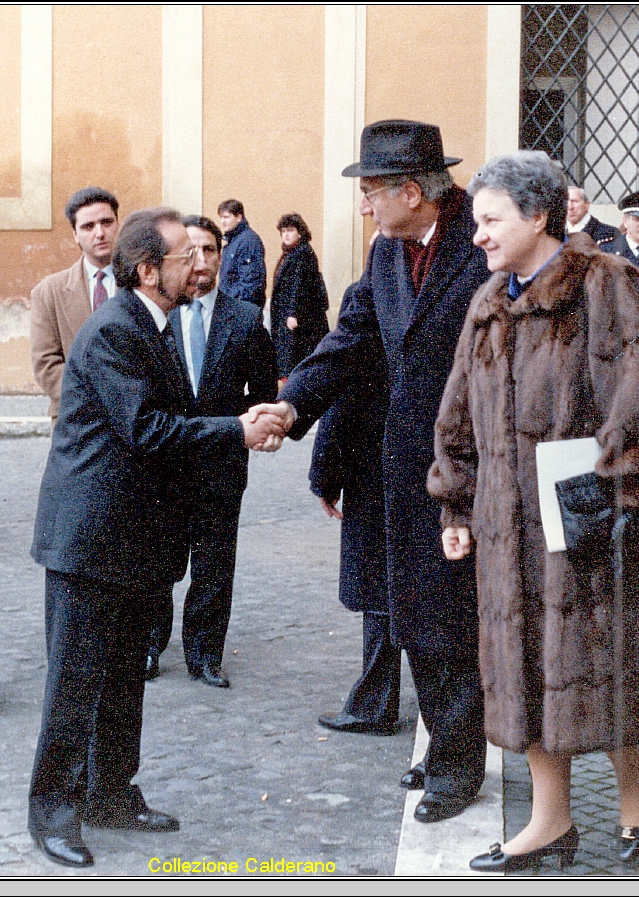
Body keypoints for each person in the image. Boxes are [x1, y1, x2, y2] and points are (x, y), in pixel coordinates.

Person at [430, 151, 639, 870]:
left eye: (492, 220)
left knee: (593, 664)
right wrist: (455, 501)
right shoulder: (487, 302)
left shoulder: (608, 284)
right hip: (504, 529)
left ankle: (636, 775)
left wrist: (614, 500)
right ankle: (550, 818)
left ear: (538, 216)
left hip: (587, 526)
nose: (478, 235)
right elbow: (458, 414)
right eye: (477, 221)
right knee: (529, 670)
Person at [250, 120, 492, 824]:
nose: (363, 206)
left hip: (470, 473)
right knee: (416, 616)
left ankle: (458, 763)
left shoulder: (483, 245)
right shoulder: (386, 252)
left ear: (414, 192)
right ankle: (448, 742)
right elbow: (348, 337)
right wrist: (290, 406)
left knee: (456, 623)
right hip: (402, 474)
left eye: (372, 192)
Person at [27, 208, 283, 868]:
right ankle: (53, 811)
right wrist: (238, 430)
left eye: (204, 255)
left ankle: (113, 793)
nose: (199, 264)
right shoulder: (116, 331)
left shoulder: (153, 323)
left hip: (133, 539)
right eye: (182, 257)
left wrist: (242, 421)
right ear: (148, 271)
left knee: (121, 681)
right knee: (75, 684)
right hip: (90, 540)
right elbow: (148, 429)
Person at [145, 215, 278, 686]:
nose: (199, 262)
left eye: (209, 251)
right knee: (158, 559)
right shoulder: (153, 319)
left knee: (215, 562)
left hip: (221, 464)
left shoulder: (243, 319)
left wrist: (256, 425)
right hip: (163, 462)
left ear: (222, 256)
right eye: (191, 252)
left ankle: (204, 654)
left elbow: (262, 394)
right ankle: (149, 645)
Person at [309, 322, 398, 736]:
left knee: (380, 592)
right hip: (417, 469)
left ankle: (375, 704)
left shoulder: (369, 304)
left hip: (373, 472)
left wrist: (324, 478)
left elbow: (338, 399)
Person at [30, 187, 119, 419]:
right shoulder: (49, 291)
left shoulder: (142, 282)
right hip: (75, 418)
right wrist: (92, 399)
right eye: (88, 226)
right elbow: (46, 363)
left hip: (133, 419)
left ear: (118, 225)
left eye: (106, 222)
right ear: (75, 235)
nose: (99, 233)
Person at [269, 212, 329, 382]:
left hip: (297, 316)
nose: (286, 235)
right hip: (288, 312)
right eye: (283, 231)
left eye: (290, 230)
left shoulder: (302, 253)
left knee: (294, 356)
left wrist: (293, 313)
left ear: (299, 232)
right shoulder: (291, 252)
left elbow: (300, 286)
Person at [217, 199, 266, 308]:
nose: (222, 221)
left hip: (240, 307)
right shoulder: (232, 242)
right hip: (231, 304)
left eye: (226, 217)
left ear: (238, 217)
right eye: (221, 217)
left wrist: (235, 306)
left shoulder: (248, 241)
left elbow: (250, 281)